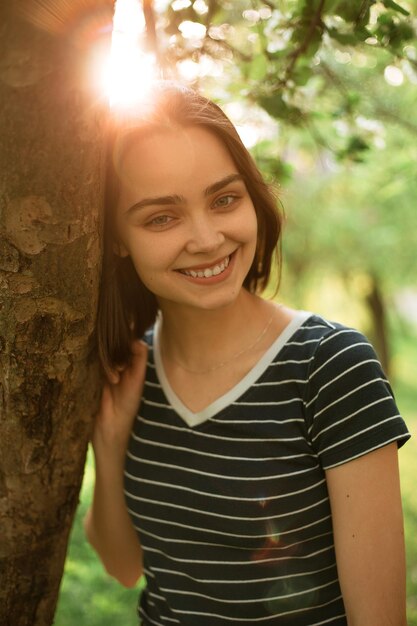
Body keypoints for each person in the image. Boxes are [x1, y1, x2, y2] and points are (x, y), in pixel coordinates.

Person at [84, 82, 410, 626]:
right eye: (162, 217)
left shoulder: (330, 367)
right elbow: (123, 566)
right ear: (117, 237)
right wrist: (112, 444)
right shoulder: (131, 367)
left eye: (224, 199)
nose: (208, 239)